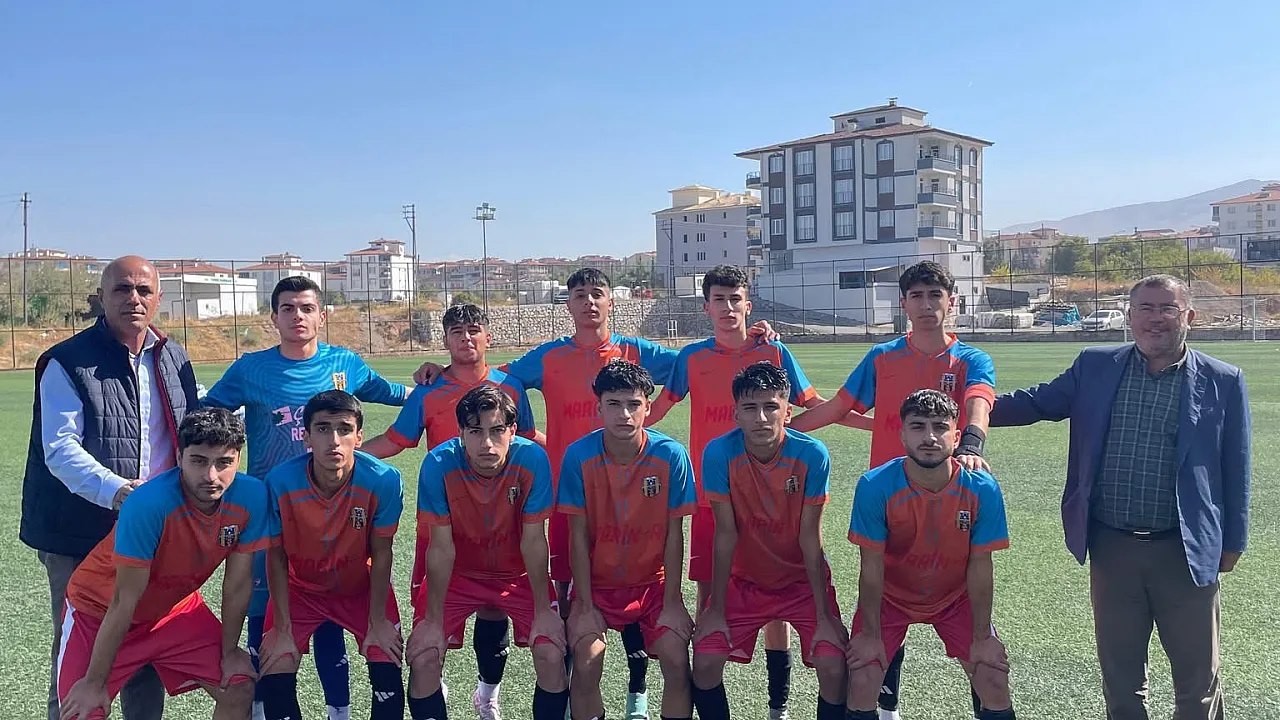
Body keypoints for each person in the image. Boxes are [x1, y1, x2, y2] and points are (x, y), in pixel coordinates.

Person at [413, 268, 775, 718]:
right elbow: (494, 379)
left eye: (597, 293)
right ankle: (572, 696)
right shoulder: (549, 356)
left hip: (635, 499)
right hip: (571, 494)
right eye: (579, 294)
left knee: (649, 620)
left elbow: (700, 360)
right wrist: (445, 371)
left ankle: (637, 695)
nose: (588, 302)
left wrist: (749, 338)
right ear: (568, 304)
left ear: (610, 302)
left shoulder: (637, 354)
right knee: (574, 618)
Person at [988, 274, 1250, 720]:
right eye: (1145, 308)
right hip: (1113, 547)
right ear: (1129, 317)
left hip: (1185, 550)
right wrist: (963, 406)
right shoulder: (1096, 366)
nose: (1155, 318)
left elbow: (1236, 465)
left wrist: (1234, 542)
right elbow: (1034, 403)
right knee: (1122, 682)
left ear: (1189, 316)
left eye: (1167, 308)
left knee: (1197, 685)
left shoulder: (1222, 380)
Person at [644, 264, 858, 720]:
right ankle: (704, 691)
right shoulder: (692, 357)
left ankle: (778, 702)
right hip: (713, 495)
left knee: (778, 604)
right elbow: (659, 407)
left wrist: (881, 426)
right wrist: (615, 433)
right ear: (706, 307)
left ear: (748, 304)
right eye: (718, 300)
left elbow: (814, 405)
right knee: (711, 601)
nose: (727, 307)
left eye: (734, 298)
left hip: (774, 485)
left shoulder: (773, 351)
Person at [789, 260, 994, 719]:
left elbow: (978, 402)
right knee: (883, 600)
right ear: (903, 304)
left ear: (951, 302)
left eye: (935, 295)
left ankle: (987, 697)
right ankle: (886, 708)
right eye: (916, 296)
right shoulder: (882, 357)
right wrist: (785, 434)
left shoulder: (970, 360)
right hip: (888, 503)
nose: (926, 304)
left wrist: (972, 445)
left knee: (969, 617)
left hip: (947, 500)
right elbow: (840, 406)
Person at [202, 275, 408, 720]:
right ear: (274, 317)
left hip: (336, 503)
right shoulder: (251, 368)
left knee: (330, 613)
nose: (298, 316)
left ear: (322, 315)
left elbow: (390, 394)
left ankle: (339, 709)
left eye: (307, 308)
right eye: (288, 308)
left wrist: (436, 384)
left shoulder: (345, 363)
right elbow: (209, 414)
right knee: (267, 612)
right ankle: (261, 707)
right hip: (272, 507)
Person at [24, 255, 201, 720]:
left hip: (150, 532)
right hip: (78, 533)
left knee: (144, 652)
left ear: (159, 299)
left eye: (144, 290)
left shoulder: (174, 356)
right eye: (122, 289)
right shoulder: (67, 361)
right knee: (77, 664)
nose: (133, 299)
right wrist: (122, 493)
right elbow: (60, 449)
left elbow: (194, 425)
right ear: (101, 297)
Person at [362, 302, 542, 720]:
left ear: (488, 337)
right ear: (444, 340)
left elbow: (529, 440)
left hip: (501, 522)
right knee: (433, 614)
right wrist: (345, 458)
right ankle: (435, 683)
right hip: (442, 521)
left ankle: (487, 695)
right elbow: (395, 440)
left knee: (494, 606)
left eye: (473, 329)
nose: (466, 338)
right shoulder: (429, 390)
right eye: (456, 331)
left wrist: (581, 459)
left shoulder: (511, 386)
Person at [57, 408, 267, 720]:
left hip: (172, 611)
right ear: (179, 457)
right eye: (199, 461)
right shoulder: (149, 504)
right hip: (98, 612)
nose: (211, 476)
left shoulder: (251, 496)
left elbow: (237, 585)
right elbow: (123, 599)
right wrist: (94, 683)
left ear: (238, 458)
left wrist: (229, 652)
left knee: (237, 687)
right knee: (82, 711)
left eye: (224, 462)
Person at [844, 390, 1016, 720]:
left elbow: (981, 566)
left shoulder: (981, 488)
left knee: (993, 678)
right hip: (891, 599)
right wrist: (869, 635)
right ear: (902, 434)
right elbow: (871, 566)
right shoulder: (874, 485)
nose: (929, 437)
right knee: (862, 678)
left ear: (957, 436)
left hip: (955, 599)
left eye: (939, 427)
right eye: (918, 426)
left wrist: (982, 637)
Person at [690, 362, 847, 720]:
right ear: (736, 414)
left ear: (787, 411)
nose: (761, 418)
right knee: (706, 660)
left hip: (800, 584)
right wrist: (715, 609)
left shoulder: (812, 454)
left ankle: (783, 706)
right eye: (750, 408)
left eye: (770, 406)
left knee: (833, 664)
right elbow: (725, 532)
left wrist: (824, 615)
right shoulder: (718, 453)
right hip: (744, 583)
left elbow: (810, 537)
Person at [406, 385, 568, 720]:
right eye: (475, 431)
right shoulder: (438, 464)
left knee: (552, 653)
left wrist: (543, 610)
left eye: (496, 430)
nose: (487, 443)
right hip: (459, 575)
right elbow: (441, 547)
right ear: (461, 432)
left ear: (512, 430)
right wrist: (433, 621)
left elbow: (534, 540)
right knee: (424, 656)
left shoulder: (532, 459)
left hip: (517, 575)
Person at [557, 360, 697, 720]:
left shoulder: (671, 455)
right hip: (597, 587)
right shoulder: (578, 455)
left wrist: (673, 602)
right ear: (598, 408)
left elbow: (675, 535)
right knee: (585, 663)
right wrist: (584, 603)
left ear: (648, 407)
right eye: (614, 404)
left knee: (676, 659)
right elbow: (577, 536)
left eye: (634, 404)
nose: (624, 414)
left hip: (652, 587)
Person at [256, 391, 406, 720]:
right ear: (306, 436)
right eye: (323, 429)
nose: (334, 440)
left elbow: (382, 554)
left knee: (387, 663)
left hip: (362, 589)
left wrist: (378, 620)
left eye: (344, 429)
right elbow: (276, 555)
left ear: (359, 436)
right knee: (275, 669)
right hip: (300, 591)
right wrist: (282, 627)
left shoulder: (383, 480)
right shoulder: (280, 482)